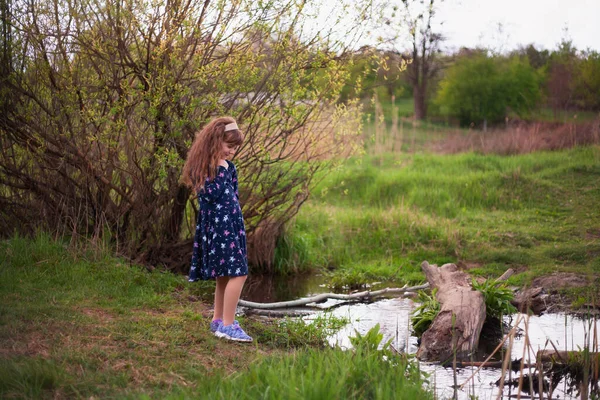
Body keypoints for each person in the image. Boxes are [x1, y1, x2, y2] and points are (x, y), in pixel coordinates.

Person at [181, 116, 252, 342]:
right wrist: (221, 168)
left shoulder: (227, 166)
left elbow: (233, 195)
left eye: (234, 148)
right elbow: (210, 197)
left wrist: (237, 223)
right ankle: (228, 326)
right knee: (239, 274)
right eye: (228, 146)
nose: (231, 152)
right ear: (215, 141)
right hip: (220, 229)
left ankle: (218, 319)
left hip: (231, 226)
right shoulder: (209, 168)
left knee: (224, 275)